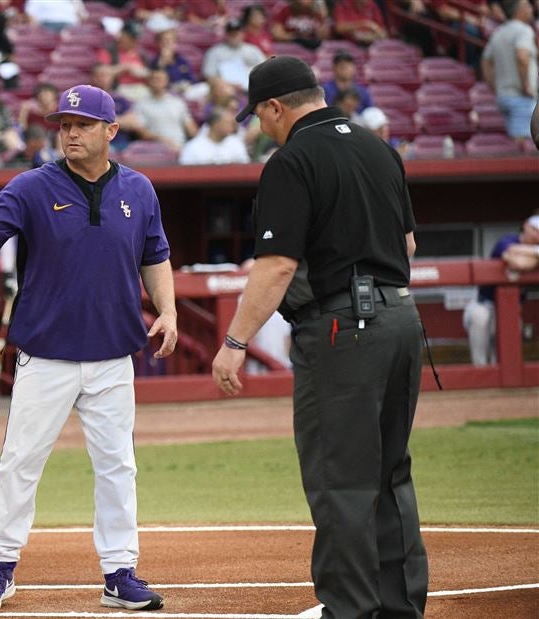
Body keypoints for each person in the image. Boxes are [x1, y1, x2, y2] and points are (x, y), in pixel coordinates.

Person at [0, 84, 175, 613]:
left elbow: (156, 256)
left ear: (111, 131)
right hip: (45, 352)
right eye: (64, 124)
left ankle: (119, 573)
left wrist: (170, 310)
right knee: (20, 461)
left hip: (114, 355)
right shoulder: (33, 186)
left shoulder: (140, 188)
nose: (70, 133)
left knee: (118, 466)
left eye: (82, 124)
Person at [213, 56, 428, 618]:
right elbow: (407, 247)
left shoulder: (292, 159)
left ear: (276, 106)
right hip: (403, 319)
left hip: (344, 327)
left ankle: (349, 611)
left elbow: (277, 265)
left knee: (341, 481)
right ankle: (399, 608)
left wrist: (235, 343)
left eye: (259, 115)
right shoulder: (379, 147)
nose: (260, 128)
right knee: (390, 472)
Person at [464, 214, 539, 366]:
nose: (536, 234)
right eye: (534, 229)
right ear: (525, 226)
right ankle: (481, 371)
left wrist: (522, 252)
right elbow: (518, 263)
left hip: (511, 308)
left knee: (511, 336)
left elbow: (519, 261)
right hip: (484, 303)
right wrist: (535, 253)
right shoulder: (507, 240)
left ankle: (503, 376)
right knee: (480, 318)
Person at [482, 0, 538, 147]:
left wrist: (494, 86)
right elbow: (522, 57)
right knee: (524, 147)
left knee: (510, 146)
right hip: (520, 97)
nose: (531, 9)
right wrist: (526, 84)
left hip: (503, 96)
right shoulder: (524, 30)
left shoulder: (499, 31)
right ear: (518, 11)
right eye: (527, 6)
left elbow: (486, 61)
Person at [134, 68, 197, 152]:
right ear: (149, 82)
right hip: (157, 149)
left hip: (182, 147)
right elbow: (142, 132)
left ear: (166, 81)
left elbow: (190, 127)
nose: (157, 82)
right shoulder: (140, 105)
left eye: (160, 79)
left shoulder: (178, 102)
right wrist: (163, 140)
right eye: (154, 79)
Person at [202, 20, 266, 92]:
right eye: (231, 33)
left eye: (236, 32)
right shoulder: (215, 52)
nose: (233, 35)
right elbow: (209, 76)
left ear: (243, 33)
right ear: (226, 34)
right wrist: (228, 85)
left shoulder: (253, 50)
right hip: (225, 89)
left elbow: (265, 71)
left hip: (252, 88)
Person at [179, 108, 250, 165]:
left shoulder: (236, 143)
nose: (231, 128)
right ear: (216, 124)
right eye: (227, 123)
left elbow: (245, 168)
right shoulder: (193, 147)